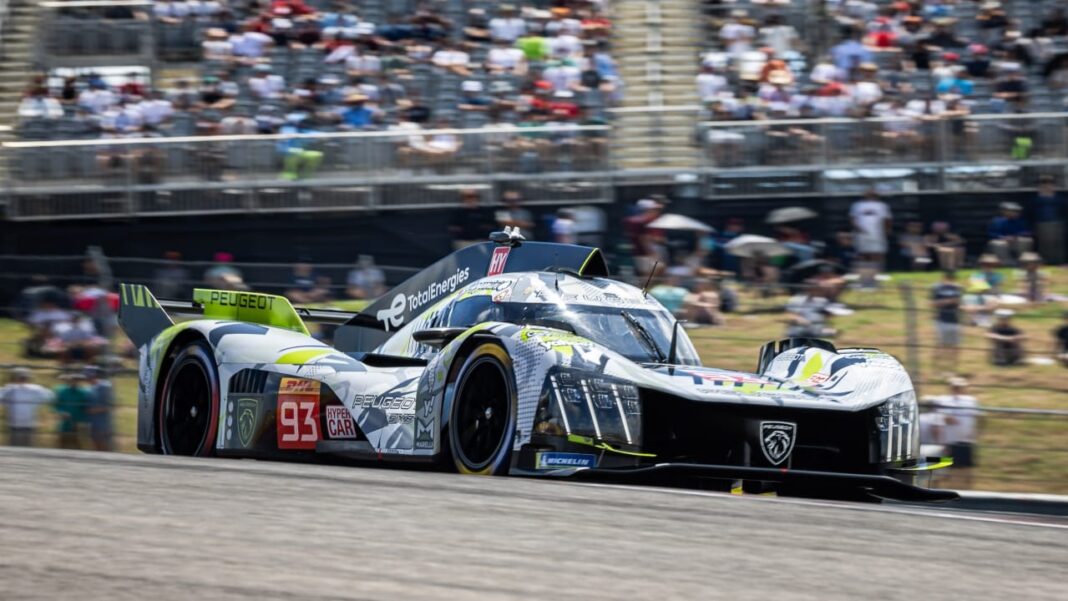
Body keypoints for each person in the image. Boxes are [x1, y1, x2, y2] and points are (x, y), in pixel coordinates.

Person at [919, 377, 979, 489]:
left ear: (964, 388)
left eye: (959, 387)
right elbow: (930, 404)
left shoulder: (970, 401)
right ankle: (952, 490)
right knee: (949, 471)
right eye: (954, 387)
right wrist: (947, 418)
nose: (957, 389)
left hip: (966, 440)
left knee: (966, 470)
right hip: (950, 442)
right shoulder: (944, 400)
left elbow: (976, 417)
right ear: (950, 388)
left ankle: (966, 490)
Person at [0, 367, 55, 447]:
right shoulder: (9, 389)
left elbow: (50, 396)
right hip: (14, 425)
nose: (22, 379)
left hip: (29, 424)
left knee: (28, 448)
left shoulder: (35, 389)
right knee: (15, 449)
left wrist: (38, 403)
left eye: (24, 377)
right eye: (20, 377)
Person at [849, 188, 892, 273]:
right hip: (862, 235)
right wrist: (858, 229)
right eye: (868, 192)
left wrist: (886, 231)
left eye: (872, 192)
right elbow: (852, 218)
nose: (870, 194)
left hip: (878, 234)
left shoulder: (882, 205)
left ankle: (879, 272)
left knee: (878, 253)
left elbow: (887, 219)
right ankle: (864, 273)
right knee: (862, 254)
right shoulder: (857, 205)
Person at [931, 270, 963, 374]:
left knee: (954, 346)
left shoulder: (957, 289)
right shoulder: (938, 289)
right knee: (940, 344)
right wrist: (948, 301)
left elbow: (960, 303)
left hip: (955, 320)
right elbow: (933, 304)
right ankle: (937, 369)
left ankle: (952, 369)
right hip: (942, 320)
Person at [1031, 174, 1065, 264]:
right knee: (1044, 245)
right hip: (1041, 224)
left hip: (1058, 223)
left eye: (1049, 183)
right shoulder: (1034, 200)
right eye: (1043, 183)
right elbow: (1031, 213)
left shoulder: (1060, 199)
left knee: (1058, 244)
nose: (1046, 185)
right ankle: (1045, 261)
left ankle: (1059, 261)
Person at [54, 371, 92, 449]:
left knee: (77, 443)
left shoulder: (83, 393)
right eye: (72, 380)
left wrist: (82, 419)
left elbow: (86, 407)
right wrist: (61, 413)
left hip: (78, 422)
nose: (74, 382)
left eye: (76, 380)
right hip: (65, 422)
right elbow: (57, 405)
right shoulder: (63, 392)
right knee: (62, 442)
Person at [84, 366, 113, 452]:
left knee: (104, 445)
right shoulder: (90, 388)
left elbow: (109, 406)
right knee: (95, 445)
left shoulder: (104, 386)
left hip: (103, 422)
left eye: (89, 375)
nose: (87, 378)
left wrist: (93, 410)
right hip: (93, 421)